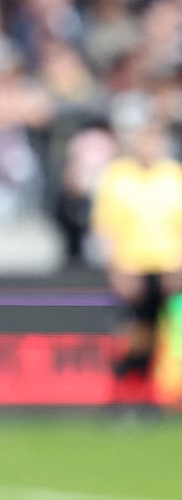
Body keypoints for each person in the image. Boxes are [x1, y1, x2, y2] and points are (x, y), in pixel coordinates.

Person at [91, 118, 182, 405]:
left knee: (170, 334)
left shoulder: (173, 176)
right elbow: (106, 227)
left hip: (169, 268)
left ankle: (164, 393)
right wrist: (116, 268)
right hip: (132, 267)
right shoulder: (118, 176)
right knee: (137, 333)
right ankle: (132, 390)